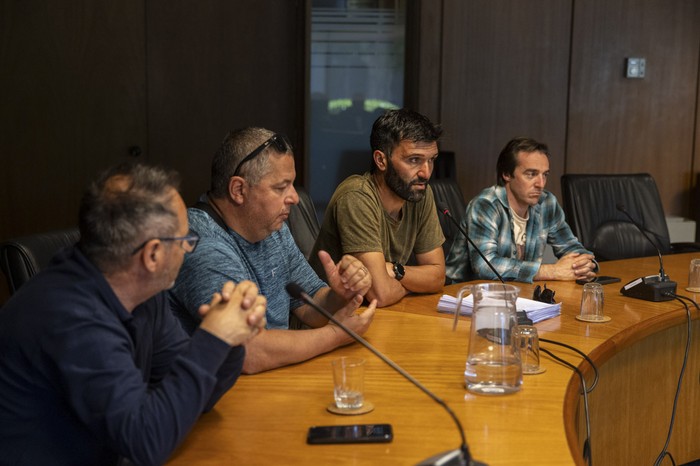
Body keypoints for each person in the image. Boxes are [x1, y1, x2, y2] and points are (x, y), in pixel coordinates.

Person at [0, 163, 267, 465]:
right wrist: (213, 337)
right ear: (153, 254)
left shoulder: (142, 294)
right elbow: (145, 442)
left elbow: (193, 399)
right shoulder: (70, 316)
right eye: (185, 241)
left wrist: (230, 339)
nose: (188, 250)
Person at [169, 127, 377, 374]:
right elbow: (248, 352)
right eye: (281, 187)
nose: (294, 198)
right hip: (227, 395)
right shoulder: (202, 246)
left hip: (277, 376)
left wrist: (339, 295)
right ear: (238, 190)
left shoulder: (271, 227)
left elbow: (310, 306)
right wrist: (335, 334)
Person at [309, 108, 446, 307]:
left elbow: (437, 276)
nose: (426, 173)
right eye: (414, 160)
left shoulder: (419, 193)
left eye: (431, 160)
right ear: (381, 160)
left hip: (379, 314)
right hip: (329, 319)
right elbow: (380, 294)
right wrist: (409, 284)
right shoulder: (356, 197)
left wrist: (395, 270)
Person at [445, 136, 598, 283]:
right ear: (506, 174)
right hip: (465, 296)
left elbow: (571, 247)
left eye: (544, 175)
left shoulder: (546, 203)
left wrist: (585, 265)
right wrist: (551, 271)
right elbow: (485, 266)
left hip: (516, 294)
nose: (541, 184)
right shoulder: (486, 205)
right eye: (531, 174)